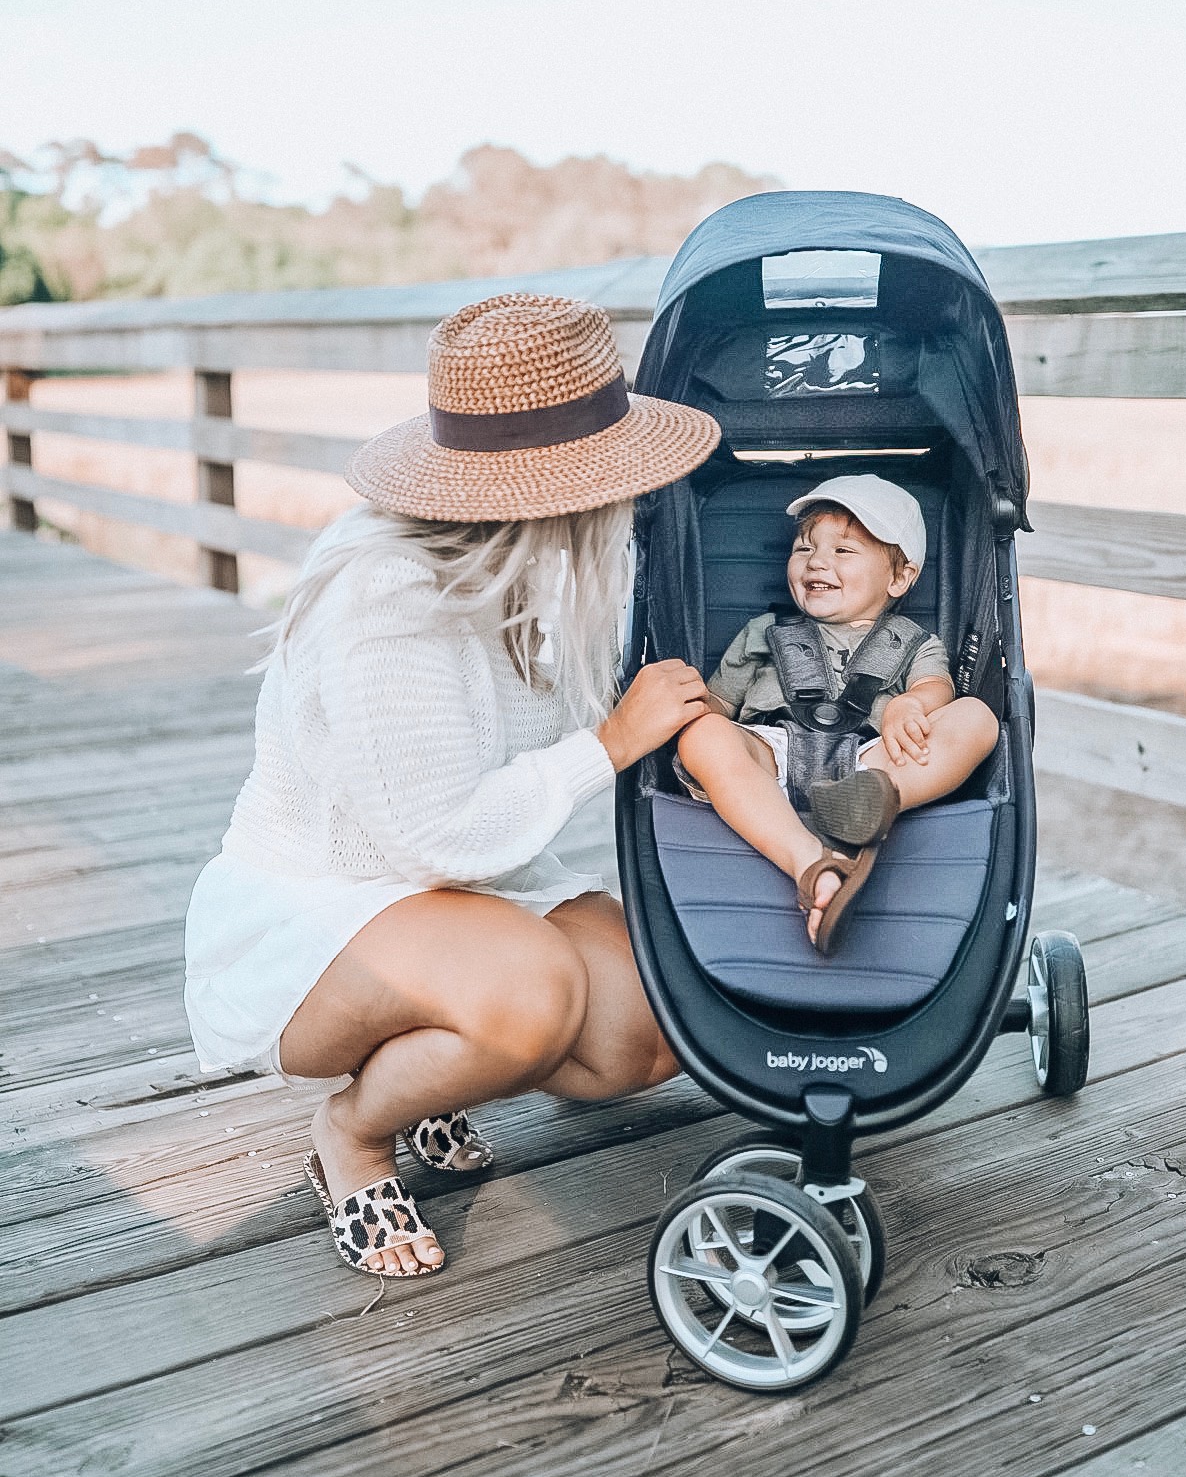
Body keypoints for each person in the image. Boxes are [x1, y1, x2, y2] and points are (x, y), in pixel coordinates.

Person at [184, 293, 720, 1280]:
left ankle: (433, 1067)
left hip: (453, 893)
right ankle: (351, 1130)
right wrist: (607, 744)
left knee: (647, 1033)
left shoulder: (520, 560)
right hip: (326, 907)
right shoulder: (383, 592)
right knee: (531, 992)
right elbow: (433, 833)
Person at [675, 475, 999, 955]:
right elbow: (720, 705)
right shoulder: (763, 633)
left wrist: (911, 703)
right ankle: (810, 859)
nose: (817, 561)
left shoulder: (913, 643)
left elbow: (937, 688)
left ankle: (867, 805)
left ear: (899, 577)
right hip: (772, 753)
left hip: (874, 760)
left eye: (844, 552)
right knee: (703, 734)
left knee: (977, 717)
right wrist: (689, 713)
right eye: (804, 548)